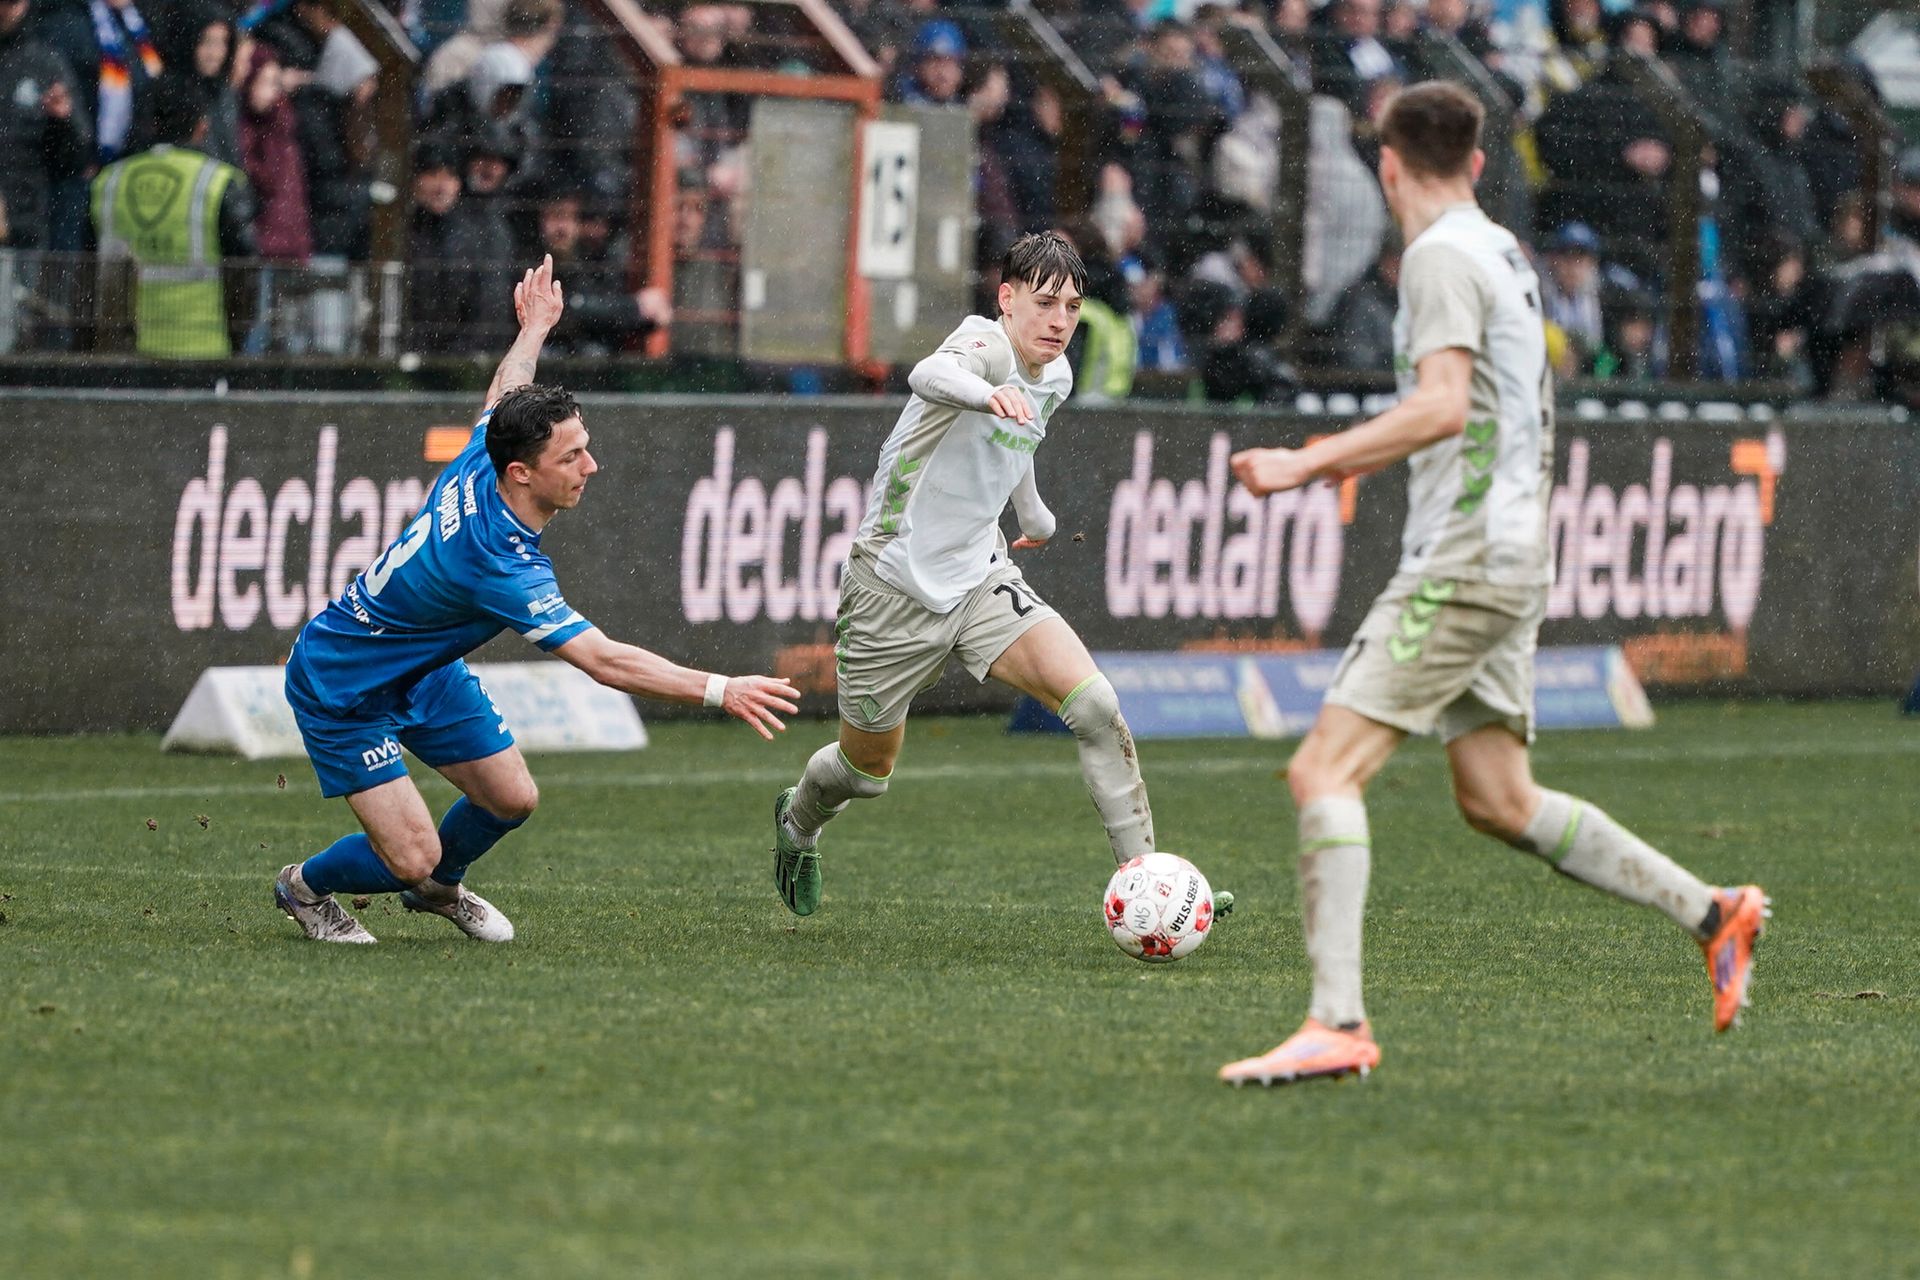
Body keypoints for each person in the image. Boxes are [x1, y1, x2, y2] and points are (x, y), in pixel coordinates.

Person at [1217, 82, 1766, 1087]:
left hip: (1468, 553)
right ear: (1476, 163)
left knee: (1322, 773)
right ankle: (1712, 910)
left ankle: (1336, 1020)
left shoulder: (1434, 256)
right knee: (1498, 797)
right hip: (1513, 548)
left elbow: (1440, 404)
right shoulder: (1503, 250)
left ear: (1388, 165)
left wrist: (1309, 461)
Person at [274, 255, 800, 945]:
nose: (591, 466)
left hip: (420, 669)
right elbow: (605, 662)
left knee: (512, 797)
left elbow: (506, 389)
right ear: (522, 473)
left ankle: (438, 891)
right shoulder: (496, 563)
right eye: (572, 457)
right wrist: (719, 689)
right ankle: (306, 886)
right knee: (411, 854)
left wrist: (536, 328)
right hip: (342, 683)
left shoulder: (485, 453)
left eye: (585, 447)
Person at [768, 232, 1183, 919]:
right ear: (1007, 299)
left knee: (1096, 708)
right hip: (892, 585)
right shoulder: (981, 345)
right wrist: (986, 396)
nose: (1060, 320)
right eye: (1045, 302)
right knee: (865, 773)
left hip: (981, 577)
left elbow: (1016, 443)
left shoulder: (1057, 375)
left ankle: (1151, 887)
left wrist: (1035, 512)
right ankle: (797, 823)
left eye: (1073, 307)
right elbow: (927, 377)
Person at [90, 76, 255, 357]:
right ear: (202, 125)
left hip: (122, 354)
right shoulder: (218, 182)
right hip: (203, 348)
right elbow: (243, 271)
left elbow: (85, 267)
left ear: (150, 123)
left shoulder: (109, 181)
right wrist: (240, 340)